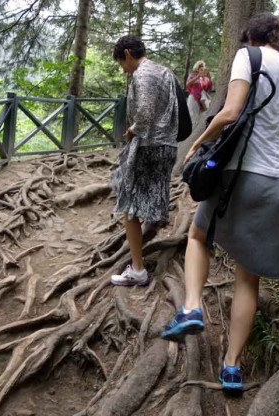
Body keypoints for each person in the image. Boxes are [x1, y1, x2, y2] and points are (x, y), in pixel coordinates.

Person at [161, 13, 279, 390]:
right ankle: (231, 369)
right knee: (249, 276)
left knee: (198, 236)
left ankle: (192, 306)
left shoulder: (250, 56)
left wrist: (198, 142)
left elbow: (229, 112)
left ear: (253, 37)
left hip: (243, 175)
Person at [110, 36, 178, 286]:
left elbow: (146, 114)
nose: (124, 69)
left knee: (128, 205)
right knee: (148, 198)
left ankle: (137, 270)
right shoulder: (165, 72)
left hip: (149, 146)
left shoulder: (142, 74)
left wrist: (132, 130)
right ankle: (149, 234)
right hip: (168, 146)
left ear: (128, 53)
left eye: (121, 63)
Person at [186, 60, 213, 128]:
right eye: (200, 66)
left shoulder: (204, 78)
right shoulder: (192, 75)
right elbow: (188, 84)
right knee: (193, 117)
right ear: (197, 67)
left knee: (202, 118)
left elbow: (209, 88)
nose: (202, 67)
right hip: (193, 99)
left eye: (203, 66)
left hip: (202, 100)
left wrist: (209, 77)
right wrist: (198, 76)